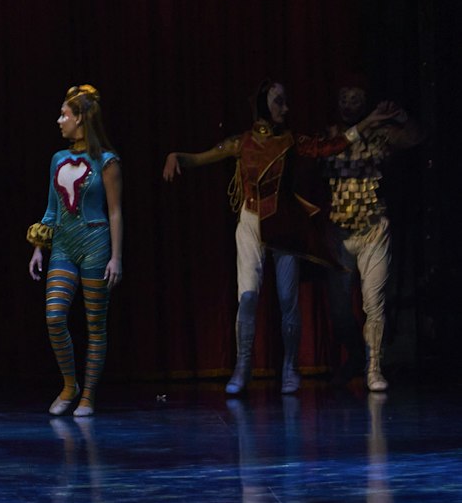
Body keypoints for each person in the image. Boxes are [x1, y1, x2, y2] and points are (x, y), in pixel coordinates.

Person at [162, 81, 396, 395]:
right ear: (262, 106)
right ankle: (243, 367)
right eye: (279, 103)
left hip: (285, 225)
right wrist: (178, 155)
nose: (285, 109)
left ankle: (289, 367)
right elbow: (204, 157)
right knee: (247, 298)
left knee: (288, 300)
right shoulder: (242, 142)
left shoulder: (289, 140)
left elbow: (328, 146)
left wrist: (366, 123)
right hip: (250, 223)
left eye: (285, 102)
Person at [320, 77, 423, 391]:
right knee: (339, 309)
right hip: (340, 232)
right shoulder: (330, 136)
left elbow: (416, 138)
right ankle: (355, 354)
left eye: (355, 99)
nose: (349, 104)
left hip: (373, 228)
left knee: (373, 303)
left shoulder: (382, 135)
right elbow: (320, 154)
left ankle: (374, 366)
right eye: (344, 98)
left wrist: (399, 116)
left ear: (364, 102)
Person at [26, 85, 122, 417]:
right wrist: (39, 247)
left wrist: (116, 257)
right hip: (64, 245)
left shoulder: (106, 162)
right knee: (54, 317)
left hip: (95, 244)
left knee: (95, 324)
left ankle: (89, 395)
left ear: (80, 119)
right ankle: (70, 384)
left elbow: (114, 212)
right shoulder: (58, 159)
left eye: (65, 114)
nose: (59, 120)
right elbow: (52, 209)